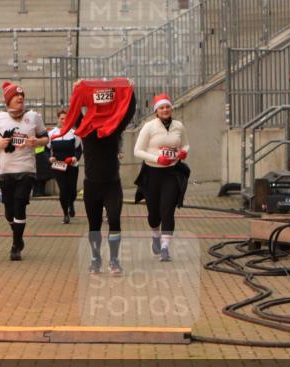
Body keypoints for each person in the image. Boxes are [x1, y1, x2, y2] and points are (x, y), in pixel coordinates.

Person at [57, 78, 136, 275]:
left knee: (115, 221)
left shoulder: (115, 128)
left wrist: (130, 90)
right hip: (91, 186)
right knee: (94, 225)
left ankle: (115, 260)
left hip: (112, 185)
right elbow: (75, 113)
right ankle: (95, 258)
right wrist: (75, 90)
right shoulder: (85, 129)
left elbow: (128, 111)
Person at [0, 81, 49, 261]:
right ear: (8, 100)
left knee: (20, 204)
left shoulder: (34, 117)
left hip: (26, 169)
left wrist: (37, 142)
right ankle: (18, 237)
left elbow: (46, 137)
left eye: (22, 95)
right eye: (16, 95)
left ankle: (15, 247)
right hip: (6, 170)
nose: (20, 98)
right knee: (9, 212)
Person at [133, 94, 190, 262]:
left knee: (168, 210)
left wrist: (184, 152)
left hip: (172, 173)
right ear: (156, 111)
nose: (165, 110)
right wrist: (158, 158)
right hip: (152, 173)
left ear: (171, 109)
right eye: (161, 108)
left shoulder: (179, 126)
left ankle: (165, 248)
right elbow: (137, 151)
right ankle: (155, 235)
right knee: (154, 215)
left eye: (167, 107)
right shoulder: (149, 127)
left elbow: (185, 143)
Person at [48, 109, 83, 224]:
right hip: (58, 165)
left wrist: (75, 158)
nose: (64, 121)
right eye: (61, 118)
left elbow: (79, 150)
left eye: (66, 119)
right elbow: (45, 150)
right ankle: (65, 214)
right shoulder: (51, 133)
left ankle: (71, 203)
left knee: (72, 190)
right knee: (63, 189)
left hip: (72, 165)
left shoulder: (74, 133)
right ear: (58, 119)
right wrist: (49, 158)